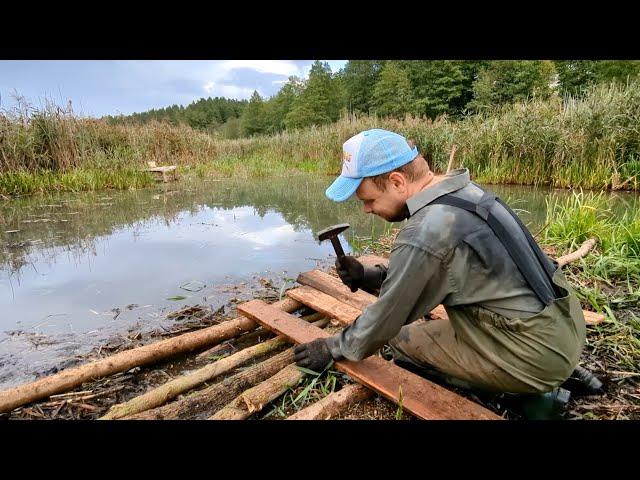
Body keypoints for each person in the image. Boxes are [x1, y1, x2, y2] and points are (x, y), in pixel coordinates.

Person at [293, 128, 601, 418]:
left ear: (398, 182)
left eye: (369, 199)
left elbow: (385, 320)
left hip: (532, 353)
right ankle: (561, 367)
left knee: (399, 341)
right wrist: (368, 276)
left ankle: (535, 395)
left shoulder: (426, 231)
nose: (367, 210)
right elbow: (434, 272)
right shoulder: (466, 193)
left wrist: (332, 347)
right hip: (564, 325)